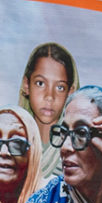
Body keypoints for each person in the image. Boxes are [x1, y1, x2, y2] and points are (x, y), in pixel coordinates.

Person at [17, 42, 79, 182]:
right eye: (40, 83)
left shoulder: (77, 149)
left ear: (70, 92)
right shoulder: (10, 144)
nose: (49, 96)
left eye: (60, 87)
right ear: (27, 85)